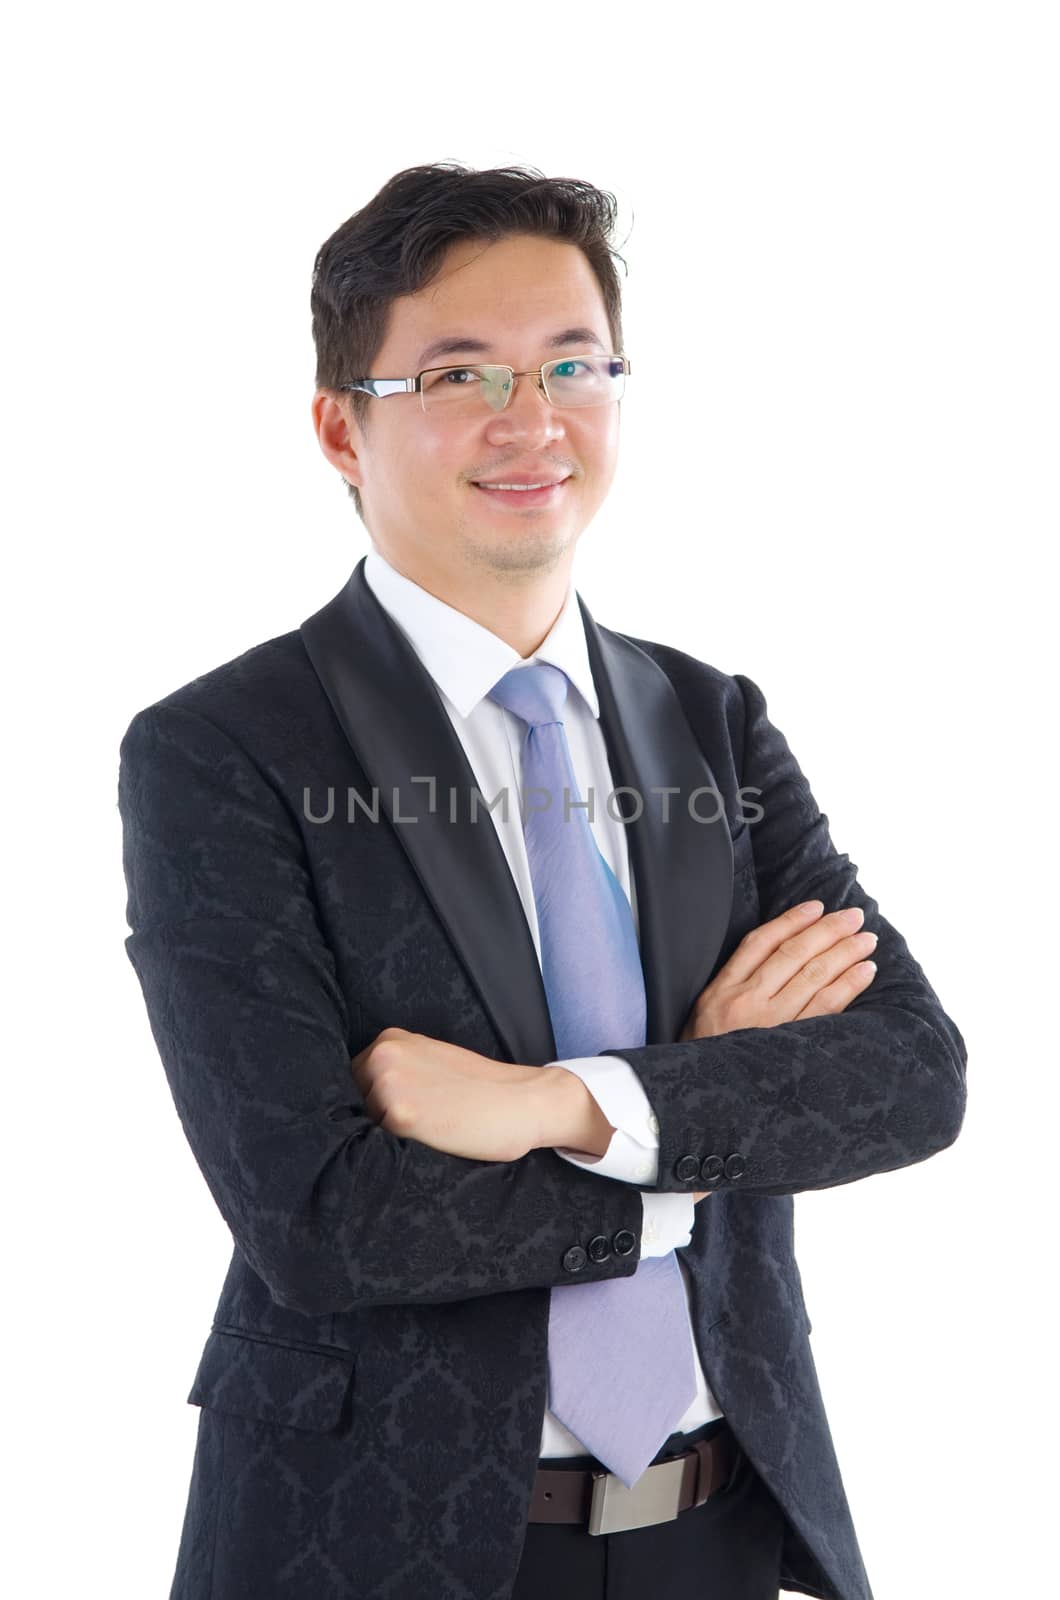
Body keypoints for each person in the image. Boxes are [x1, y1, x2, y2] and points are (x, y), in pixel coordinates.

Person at [118, 161, 967, 1600]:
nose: (534, 419)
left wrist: (559, 1105)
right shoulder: (226, 751)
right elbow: (324, 1219)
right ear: (340, 427)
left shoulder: (711, 722)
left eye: (575, 363)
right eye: (461, 373)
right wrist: (697, 1116)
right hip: (377, 1537)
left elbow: (909, 1078)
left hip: (723, 1514)